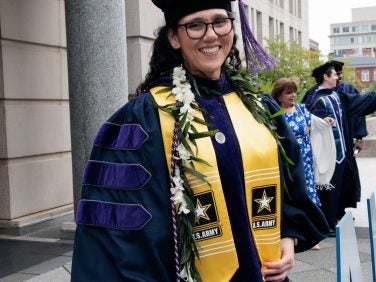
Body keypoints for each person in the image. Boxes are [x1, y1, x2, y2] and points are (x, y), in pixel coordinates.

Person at [71, 1, 329, 281]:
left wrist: (287, 236)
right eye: (195, 25)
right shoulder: (145, 118)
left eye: (220, 21)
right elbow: (123, 231)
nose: (210, 34)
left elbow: (290, 181)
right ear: (173, 37)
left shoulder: (259, 107)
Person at [305, 61, 376, 236]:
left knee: (340, 186)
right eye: (334, 74)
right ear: (325, 77)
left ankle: (335, 218)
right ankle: (325, 224)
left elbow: (357, 102)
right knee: (327, 188)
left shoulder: (337, 96)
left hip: (342, 152)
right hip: (327, 154)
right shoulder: (317, 100)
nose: (338, 77)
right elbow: (313, 128)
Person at [271, 77, 335, 206]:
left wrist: (326, 120)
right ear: (279, 96)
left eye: (294, 91)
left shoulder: (301, 109)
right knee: (292, 193)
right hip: (287, 161)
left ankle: (311, 222)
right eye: (288, 92)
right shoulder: (275, 114)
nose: (293, 95)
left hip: (305, 160)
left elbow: (317, 123)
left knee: (307, 192)